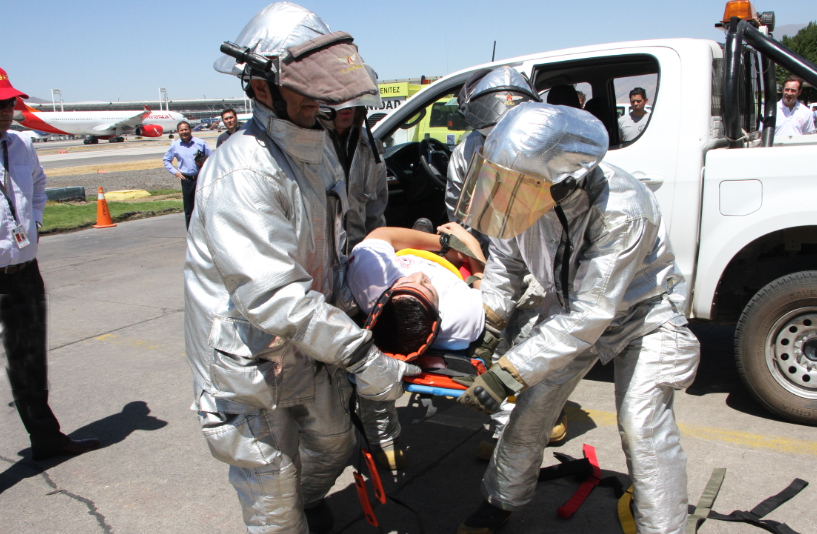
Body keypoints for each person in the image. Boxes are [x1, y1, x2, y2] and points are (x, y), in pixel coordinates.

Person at [184, 4, 418, 533]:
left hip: (309, 348)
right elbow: (272, 297)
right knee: (273, 495)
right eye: (307, 89)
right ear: (264, 88)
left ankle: (302, 504)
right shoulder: (242, 169)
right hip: (247, 362)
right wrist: (366, 358)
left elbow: (333, 251)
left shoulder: (319, 156)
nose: (323, 100)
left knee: (335, 445)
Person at [453, 102, 700, 534]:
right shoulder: (523, 197)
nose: (503, 193)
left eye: (514, 184)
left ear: (560, 181)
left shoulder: (623, 209)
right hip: (568, 312)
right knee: (529, 410)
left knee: (642, 424)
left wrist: (510, 371)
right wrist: (489, 325)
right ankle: (502, 500)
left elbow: (594, 312)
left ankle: (665, 529)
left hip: (645, 316)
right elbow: (506, 266)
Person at [0, 68, 99, 461]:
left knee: (29, 361)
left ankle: (45, 438)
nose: (7, 110)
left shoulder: (22, 145)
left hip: (23, 270)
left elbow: (38, 184)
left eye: (9, 102)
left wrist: (35, 221)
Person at [346, 223, 486, 468]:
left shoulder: (370, 276)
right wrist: (467, 244)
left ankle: (385, 445)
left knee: (372, 377)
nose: (420, 276)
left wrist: (443, 243)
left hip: (412, 254)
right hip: (447, 264)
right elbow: (486, 285)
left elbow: (383, 234)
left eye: (409, 283)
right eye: (426, 286)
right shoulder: (463, 317)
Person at [321, 66, 388, 251]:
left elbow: (376, 211)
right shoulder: (308, 144)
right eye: (338, 94)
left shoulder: (369, 146)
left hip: (359, 258)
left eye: (352, 93)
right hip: (321, 265)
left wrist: (375, 255)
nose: (346, 103)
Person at [162, 121, 211, 229]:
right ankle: (191, 232)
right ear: (178, 132)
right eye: (181, 130)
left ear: (190, 130)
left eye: (186, 129)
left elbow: (211, 158)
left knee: (204, 206)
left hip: (200, 178)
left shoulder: (200, 143)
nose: (184, 132)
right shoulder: (175, 145)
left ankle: (206, 230)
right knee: (189, 209)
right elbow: (166, 160)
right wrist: (175, 172)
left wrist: (202, 161)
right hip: (187, 180)